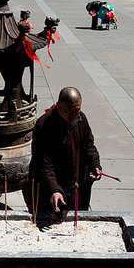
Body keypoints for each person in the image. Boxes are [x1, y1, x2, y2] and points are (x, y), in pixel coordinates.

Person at [28, 87, 101, 215]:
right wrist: (54, 190)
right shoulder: (44, 126)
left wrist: (94, 164)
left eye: (76, 110)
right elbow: (44, 165)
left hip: (75, 187)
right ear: (58, 106)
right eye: (68, 111)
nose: (72, 115)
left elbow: (88, 145)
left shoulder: (81, 119)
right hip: (51, 189)